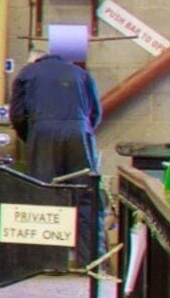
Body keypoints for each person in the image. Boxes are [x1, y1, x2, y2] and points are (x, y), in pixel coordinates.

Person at [8, 26, 101, 183]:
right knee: (82, 186)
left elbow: (17, 115)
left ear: (34, 60)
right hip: (78, 132)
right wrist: (82, 129)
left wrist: (31, 136)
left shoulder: (27, 73)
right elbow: (95, 112)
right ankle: (83, 208)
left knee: (44, 187)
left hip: (43, 134)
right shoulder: (81, 73)